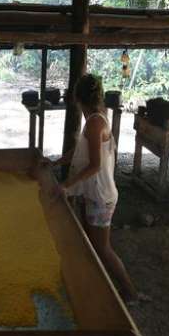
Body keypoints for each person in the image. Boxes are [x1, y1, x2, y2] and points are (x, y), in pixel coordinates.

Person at [44, 73, 138, 302]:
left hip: (101, 196)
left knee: (102, 248)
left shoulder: (96, 123)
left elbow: (95, 165)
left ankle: (130, 293)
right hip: (94, 193)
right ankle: (95, 284)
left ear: (77, 98)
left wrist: (66, 185)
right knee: (89, 242)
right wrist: (55, 162)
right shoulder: (94, 119)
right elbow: (79, 154)